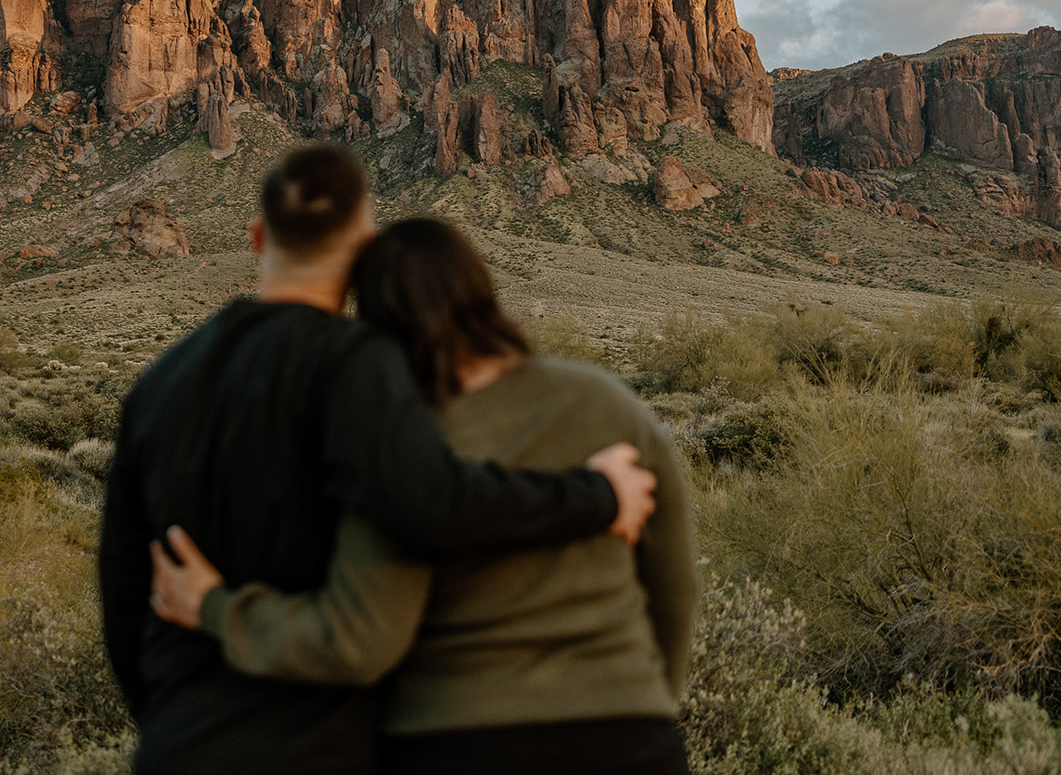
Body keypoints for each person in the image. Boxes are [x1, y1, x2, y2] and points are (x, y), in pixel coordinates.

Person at [99, 144, 659, 775]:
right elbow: (433, 504)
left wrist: (172, 716)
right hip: (313, 745)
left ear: (257, 238)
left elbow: (121, 589)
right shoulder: (353, 364)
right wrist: (598, 496)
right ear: (364, 248)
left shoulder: (159, 383)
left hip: (178, 743)